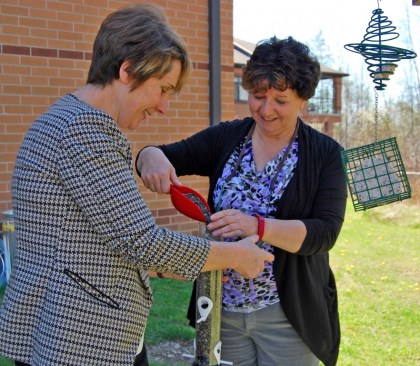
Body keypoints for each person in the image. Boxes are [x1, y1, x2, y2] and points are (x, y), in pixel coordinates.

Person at [0, 4, 273, 366]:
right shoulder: (87, 130)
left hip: (59, 334)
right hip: (80, 341)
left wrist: (159, 267)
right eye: (162, 89)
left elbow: (84, 239)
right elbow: (140, 241)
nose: (163, 107)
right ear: (126, 70)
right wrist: (236, 256)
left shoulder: (58, 120)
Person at [136, 36, 347, 366]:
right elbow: (162, 154)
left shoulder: (325, 154)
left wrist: (258, 226)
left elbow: (324, 233)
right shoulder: (228, 138)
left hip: (288, 316)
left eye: (280, 100)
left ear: (303, 99)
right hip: (223, 311)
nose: (265, 109)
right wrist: (149, 157)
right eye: (258, 96)